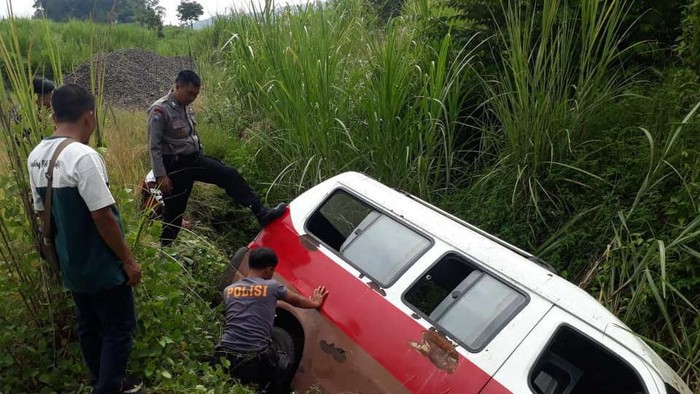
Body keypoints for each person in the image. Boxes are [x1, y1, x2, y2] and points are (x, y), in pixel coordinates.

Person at [27, 84, 142, 394]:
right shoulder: (83, 156)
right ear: (90, 117)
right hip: (101, 265)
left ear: (53, 116)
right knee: (119, 328)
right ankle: (107, 388)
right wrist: (128, 260)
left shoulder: (36, 155)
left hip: (71, 263)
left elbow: (42, 215)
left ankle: (103, 381)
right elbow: (102, 215)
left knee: (89, 325)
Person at [147, 70, 286, 246]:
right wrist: (161, 175)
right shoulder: (159, 110)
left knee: (229, 174)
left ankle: (261, 213)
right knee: (175, 213)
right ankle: (164, 251)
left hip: (195, 160)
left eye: (196, 94)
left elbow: (192, 135)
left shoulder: (186, 107)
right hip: (175, 168)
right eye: (189, 93)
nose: (193, 98)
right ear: (177, 86)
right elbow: (154, 146)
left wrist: (201, 154)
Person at [213, 247, 328, 393]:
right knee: (283, 362)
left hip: (223, 353)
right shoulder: (272, 287)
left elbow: (247, 305)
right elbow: (297, 301)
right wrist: (316, 303)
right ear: (269, 269)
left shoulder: (229, 290)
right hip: (252, 360)